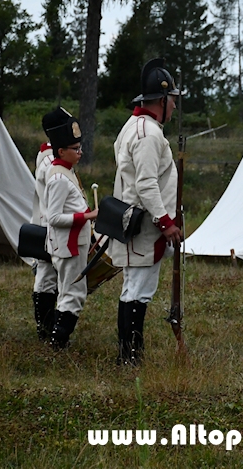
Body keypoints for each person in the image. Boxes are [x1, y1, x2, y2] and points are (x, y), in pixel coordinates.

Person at [111, 58, 183, 366]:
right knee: (138, 291)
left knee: (132, 288)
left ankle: (129, 354)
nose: (175, 108)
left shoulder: (134, 126)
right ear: (162, 100)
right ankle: (130, 357)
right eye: (173, 101)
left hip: (137, 220)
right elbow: (146, 184)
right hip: (146, 224)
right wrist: (166, 222)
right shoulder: (149, 134)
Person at [42, 107, 98, 349]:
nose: (80, 152)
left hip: (74, 243)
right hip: (68, 245)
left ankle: (57, 340)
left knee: (69, 294)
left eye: (80, 147)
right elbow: (53, 217)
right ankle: (58, 343)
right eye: (75, 149)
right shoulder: (58, 178)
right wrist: (86, 216)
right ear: (61, 151)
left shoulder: (67, 172)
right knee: (72, 296)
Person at [30, 136, 57, 341]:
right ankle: (46, 330)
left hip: (51, 227)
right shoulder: (50, 162)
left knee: (48, 279)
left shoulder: (50, 158)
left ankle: (49, 328)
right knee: (45, 279)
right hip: (51, 228)